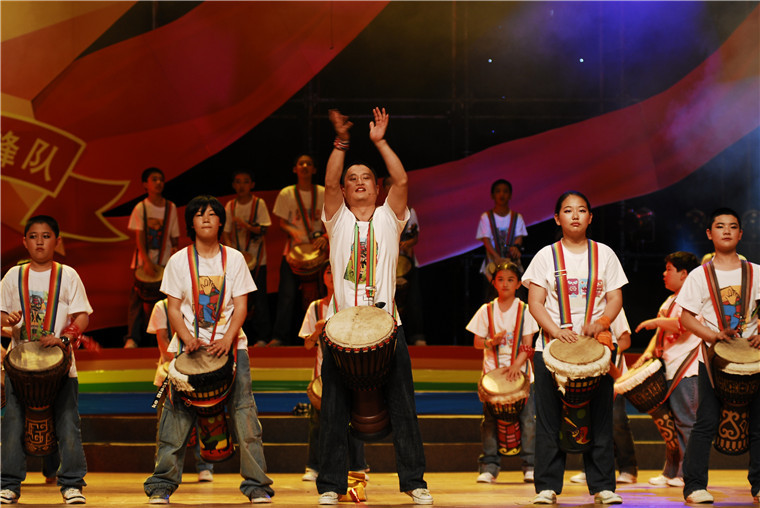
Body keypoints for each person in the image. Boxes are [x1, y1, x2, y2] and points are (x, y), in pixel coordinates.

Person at [316, 107, 432, 505]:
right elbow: (328, 181)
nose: (358, 182)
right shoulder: (337, 220)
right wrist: (342, 143)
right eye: (352, 179)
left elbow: (402, 180)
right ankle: (330, 486)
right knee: (333, 410)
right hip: (340, 331)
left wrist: (380, 142)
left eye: (366, 177)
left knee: (403, 408)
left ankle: (414, 482)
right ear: (345, 191)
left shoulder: (389, 218)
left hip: (387, 326)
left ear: (377, 186)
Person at [143, 195, 273, 504]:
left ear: (220, 222)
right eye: (199, 214)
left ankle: (257, 485)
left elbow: (241, 305)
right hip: (188, 350)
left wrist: (228, 338)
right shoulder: (178, 261)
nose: (205, 218)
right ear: (191, 222)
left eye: (212, 214)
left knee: (244, 414)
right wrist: (188, 337)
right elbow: (173, 308)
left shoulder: (235, 259)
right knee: (174, 418)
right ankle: (161, 484)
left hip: (232, 347)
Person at [522, 190, 627, 505]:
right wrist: (555, 331)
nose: (575, 215)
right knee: (549, 419)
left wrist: (603, 322)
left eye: (582, 210)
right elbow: (535, 302)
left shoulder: (605, 254)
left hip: (595, 351)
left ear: (590, 217)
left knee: (600, 417)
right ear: (557, 218)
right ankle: (547, 487)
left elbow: (615, 297)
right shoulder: (546, 256)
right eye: (568, 210)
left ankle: (603, 486)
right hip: (550, 350)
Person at [1, 215, 91, 505]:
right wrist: (8, 319)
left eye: (46, 236)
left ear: (57, 241)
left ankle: (72, 484)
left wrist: (64, 338)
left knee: (68, 425)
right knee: (12, 425)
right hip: (20, 368)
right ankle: (9, 484)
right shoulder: (13, 276)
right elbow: (0, 314)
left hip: (61, 367)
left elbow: (82, 316)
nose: (39, 241)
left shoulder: (68, 275)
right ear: (24, 241)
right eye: (33, 236)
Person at [676, 208, 759, 505]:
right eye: (720, 226)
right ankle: (694, 486)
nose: (726, 231)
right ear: (709, 234)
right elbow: (686, 317)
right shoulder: (700, 275)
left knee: (758, 424)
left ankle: (759, 485)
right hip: (713, 359)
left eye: (732, 226)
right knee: (706, 422)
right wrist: (712, 337)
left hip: (752, 358)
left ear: (740, 234)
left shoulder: (756, 272)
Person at [633, 251, 701, 488]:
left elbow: (684, 325)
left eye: (669, 269)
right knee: (671, 424)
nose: (664, 274)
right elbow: (661, 333)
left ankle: (686, 473)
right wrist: (646, 354)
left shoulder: (695, 297)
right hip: (671, 366)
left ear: (684, 274)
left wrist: (655, 322)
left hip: (687, 368)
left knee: (686, 422)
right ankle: (671, 471)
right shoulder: (670, 300)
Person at [466, 261, 538, 484]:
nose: (505, 284)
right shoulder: (486, 310)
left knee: (528, 421)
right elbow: (477, 342)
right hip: (493, 376)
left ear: (518, 284)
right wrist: (491, 342)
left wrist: (516, 365)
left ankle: (530, 465)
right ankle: (489, 466)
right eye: (500, 279)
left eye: (510, 280)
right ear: (493, 282)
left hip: (521, 374)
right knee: (489, 422)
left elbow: (528, 345)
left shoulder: (525, 310)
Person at [298, 264, 368, 483]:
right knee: (318, 423)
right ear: (323, 277)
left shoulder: (353, 306)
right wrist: (316, 332)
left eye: (335, 271)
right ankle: (314, 466)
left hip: (350, 370)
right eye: (328, 271)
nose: (331, 275)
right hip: (322, 375)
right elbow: (307, 345)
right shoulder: (315, 307)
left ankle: (358, 466)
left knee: (354, 420)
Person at [146, 298, 214, 483]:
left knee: (202, 419)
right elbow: (163, 340)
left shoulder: (202, 302)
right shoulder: (162, 306)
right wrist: (180, 362)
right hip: (170, 372)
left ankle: (205, 466)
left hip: (198, 370)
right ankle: (165, 468)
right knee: (166, 424)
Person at [570, 311, 638, 486]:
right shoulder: (577, 307)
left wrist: (604, 351)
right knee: (588, 422)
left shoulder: (613, 309)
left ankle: (628, 468)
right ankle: (590, 469)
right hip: (587, 372)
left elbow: (625, 340)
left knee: (617, 421)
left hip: (611, 371)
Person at [270, 155, 327, 346]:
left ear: (314, 169)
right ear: (295, 169)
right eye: (301, 163)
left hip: (319, 253)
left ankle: (323, 334)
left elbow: (332, 220)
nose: (304, 166)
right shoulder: (287, 193)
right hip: (293, 252)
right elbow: (282, 223)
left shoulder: (323, 192)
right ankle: (280, 337)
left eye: (309, 164)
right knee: (287, 295)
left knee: (320, 295)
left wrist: (325, 237)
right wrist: (293, 231)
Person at [124, 167, 179, 348]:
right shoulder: (141, 207)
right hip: (142, 262)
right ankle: (132, 338)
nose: (158, 182)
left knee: (165, 301)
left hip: (164, 262)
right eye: (154, 179)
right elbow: (139, 237)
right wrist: (147, 262)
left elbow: (174, 237)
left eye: (161, 179)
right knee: (136, 300)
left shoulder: (170, 208)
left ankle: (166, 337)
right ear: (145, 184)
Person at [221, 170, 272, 346]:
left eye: (245, 181)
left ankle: (262, 337)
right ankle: (238, 335)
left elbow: (264, 229)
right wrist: (233, 252)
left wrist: (246, 226)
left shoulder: (259, 204)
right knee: (237, 299)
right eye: (237, 182)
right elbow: (226, 232)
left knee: (259, 298)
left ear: (252, 184)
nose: (241, 185)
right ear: (233, 185)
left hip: (257, 259)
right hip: (238, 261)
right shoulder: (230, 206)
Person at [382, 176, 426, 345]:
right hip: (387, 264)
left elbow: (415, 236)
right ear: (384, 188)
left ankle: (416, 335)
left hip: (407, 262)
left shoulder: (410, 211)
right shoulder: (380, 212)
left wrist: (408, 243)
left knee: (413, 300)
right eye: (389, 184)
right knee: (387, 299)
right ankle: (386, 334)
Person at [476, 180, 527, 300]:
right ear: (492, 195)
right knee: (492, 300)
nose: (502, 194)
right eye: (498, 191)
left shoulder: (517, 217)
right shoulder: (486, 217)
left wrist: (515, 247)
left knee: (517, 299)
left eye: (505, 191)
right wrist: (497, 257)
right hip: (492, 266)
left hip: (512, 265)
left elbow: (519, 238)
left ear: (510, 195)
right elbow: (486, 241)